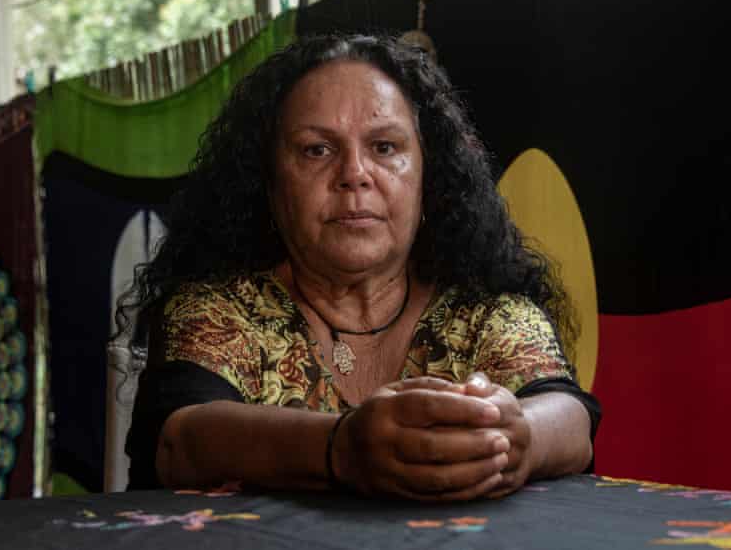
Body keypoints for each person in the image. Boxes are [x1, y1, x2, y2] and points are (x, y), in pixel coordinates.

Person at [121, 34, 601, 501]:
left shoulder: (484, 313)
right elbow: (179, 439)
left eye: (385, 147)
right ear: (268, 180)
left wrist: (516, 438)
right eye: (317, 149)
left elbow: (571, 419)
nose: (354, 173)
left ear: (428, 176)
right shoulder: (220, 311)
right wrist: (341, 448)